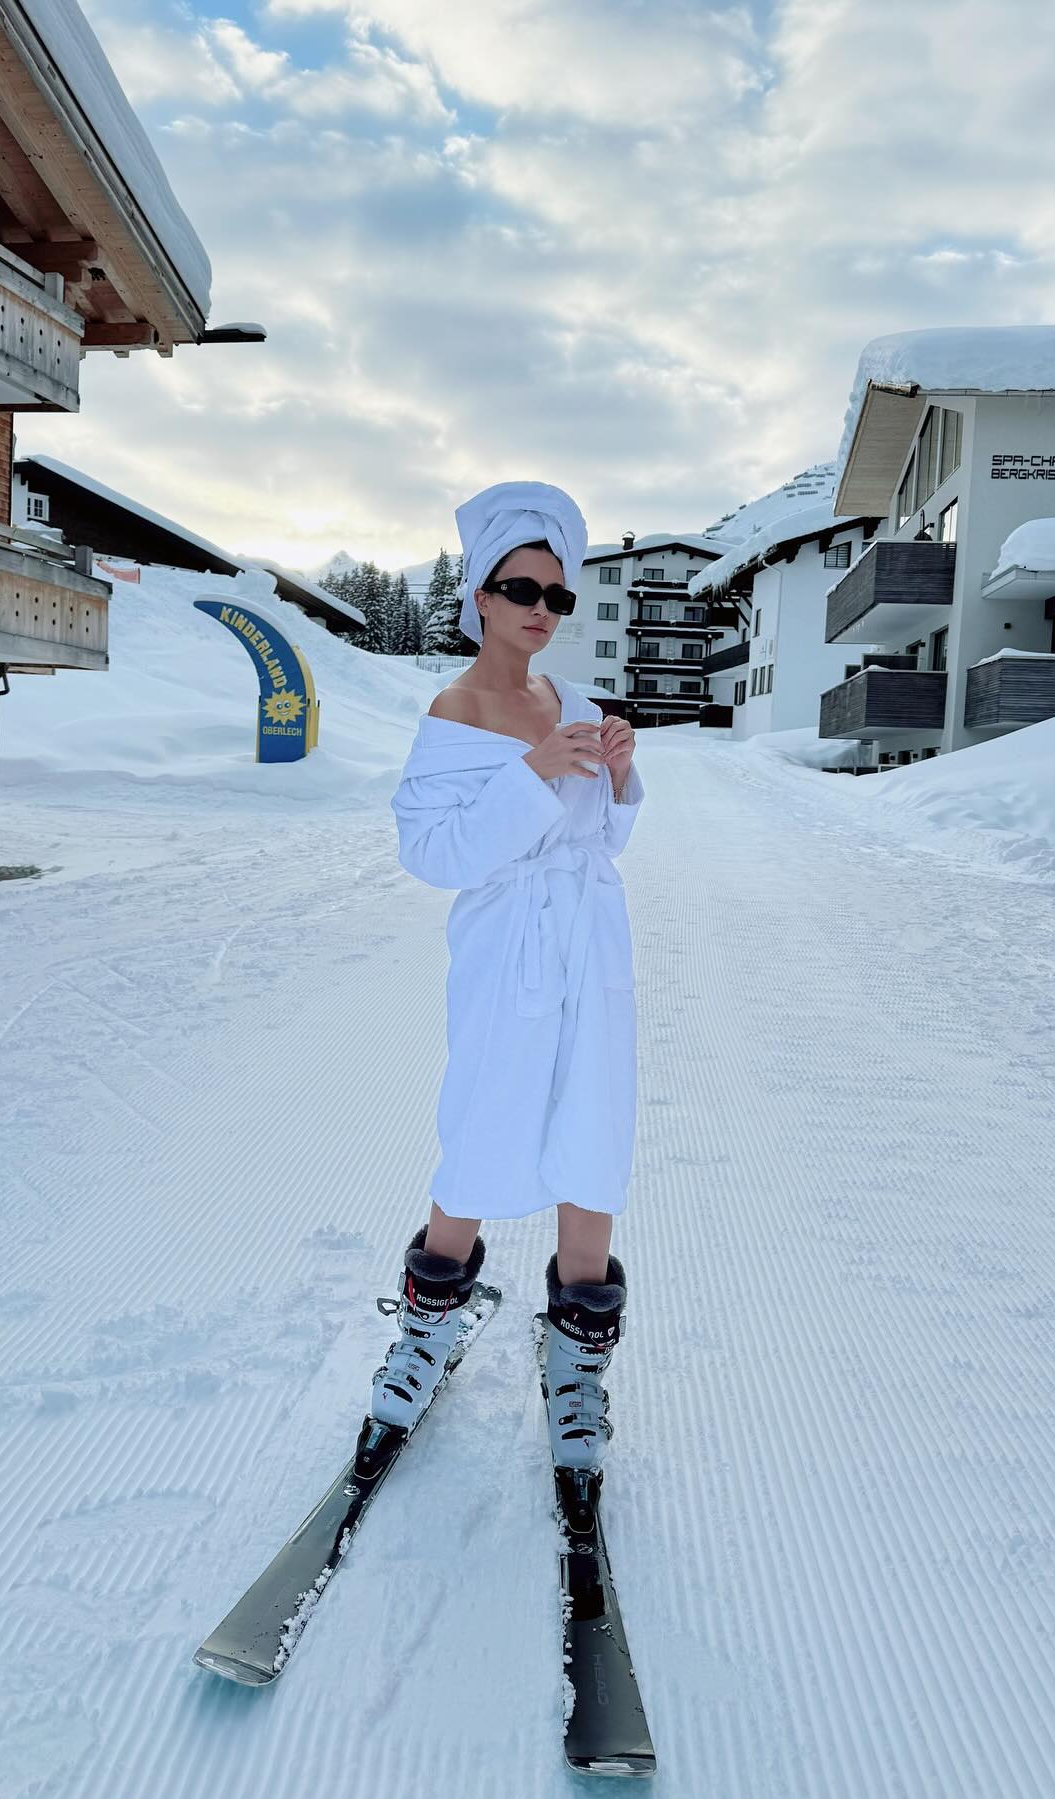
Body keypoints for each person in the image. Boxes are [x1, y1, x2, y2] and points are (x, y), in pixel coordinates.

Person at [373, 479, 646, 1474]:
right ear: (480, 595)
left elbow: (604, 837)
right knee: (486, 1118)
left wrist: (615, 774)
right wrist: (533, 773)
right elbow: (435, 853)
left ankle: (576, 1365)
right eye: (521, 586)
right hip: (505, 953)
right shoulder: (457, 708)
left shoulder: (572, 702)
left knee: (592, 1129)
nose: (541, 607)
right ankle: (426, 1329)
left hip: (590, 943)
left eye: (558, 594)